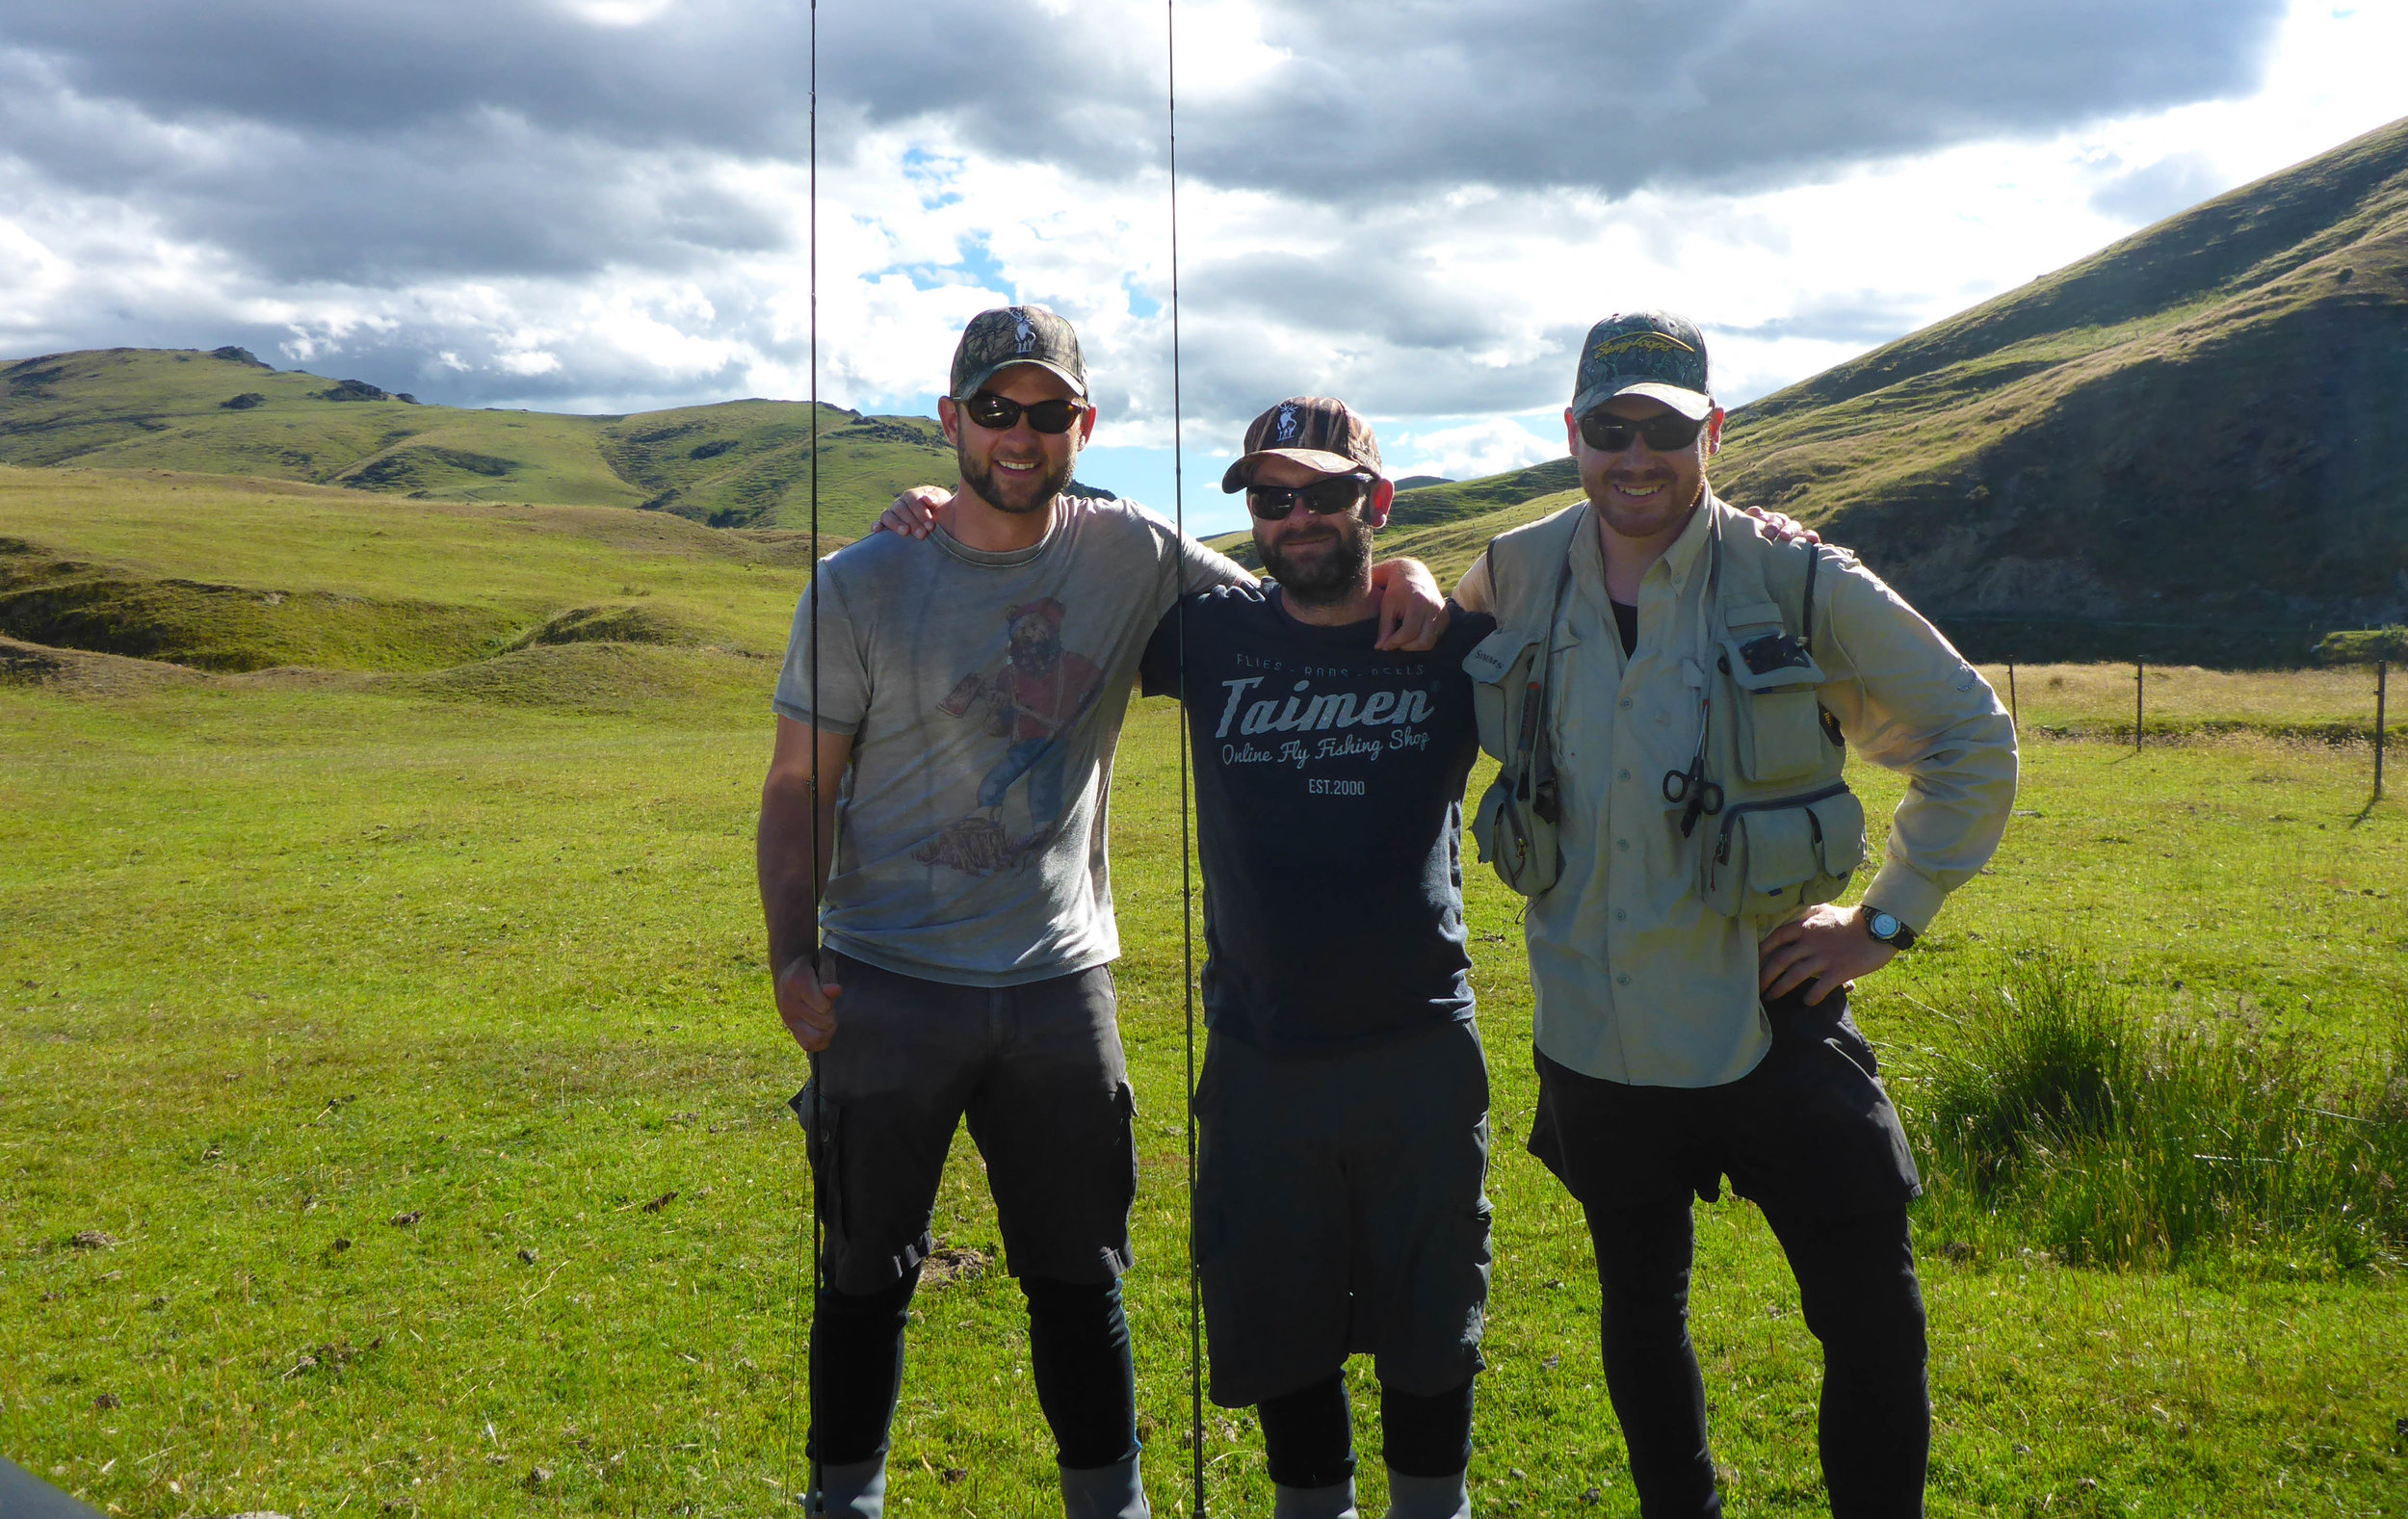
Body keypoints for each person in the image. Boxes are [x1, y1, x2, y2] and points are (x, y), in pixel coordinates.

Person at [758, 306, 1446, 1519]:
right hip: (885, 977)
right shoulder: (860, 579)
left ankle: (1109, 1501)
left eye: (1043, 412)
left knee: (1082, 1273)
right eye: (992, 409)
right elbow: (797, 785)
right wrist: (788, 950)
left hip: (1057, 981)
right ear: (950, 417)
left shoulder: (1130, 547)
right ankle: (843, 1497)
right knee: (862, 1266)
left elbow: (1295, 601)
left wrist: (1411, 573)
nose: (1016, 436)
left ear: (1084, 422)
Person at [1453, 311, 2018, 1518]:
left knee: (1872, 1312)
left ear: (1713, 430)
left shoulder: (1796, 575)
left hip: (1768, 1008)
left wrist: (1883, 920)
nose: (1637, 454)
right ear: (1573, 434)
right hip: (1593, 1027)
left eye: (1666, 426)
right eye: (1612, 427)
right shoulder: (1509, 570)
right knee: (1639, 1309)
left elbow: (1969, 734)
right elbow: (1419, 661)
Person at [1135, 398, 1496, 1519]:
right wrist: (935, 503)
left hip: (1420, 1039)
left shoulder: (1458, 645)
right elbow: (1054, 539)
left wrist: (1435, 579)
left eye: (1325, 493)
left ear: (1373, 502)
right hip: (1259, 1050)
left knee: (1432, 1325)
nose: (1296, 517)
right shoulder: (1207, 629)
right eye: (1271, 497)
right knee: (1279, 1318)